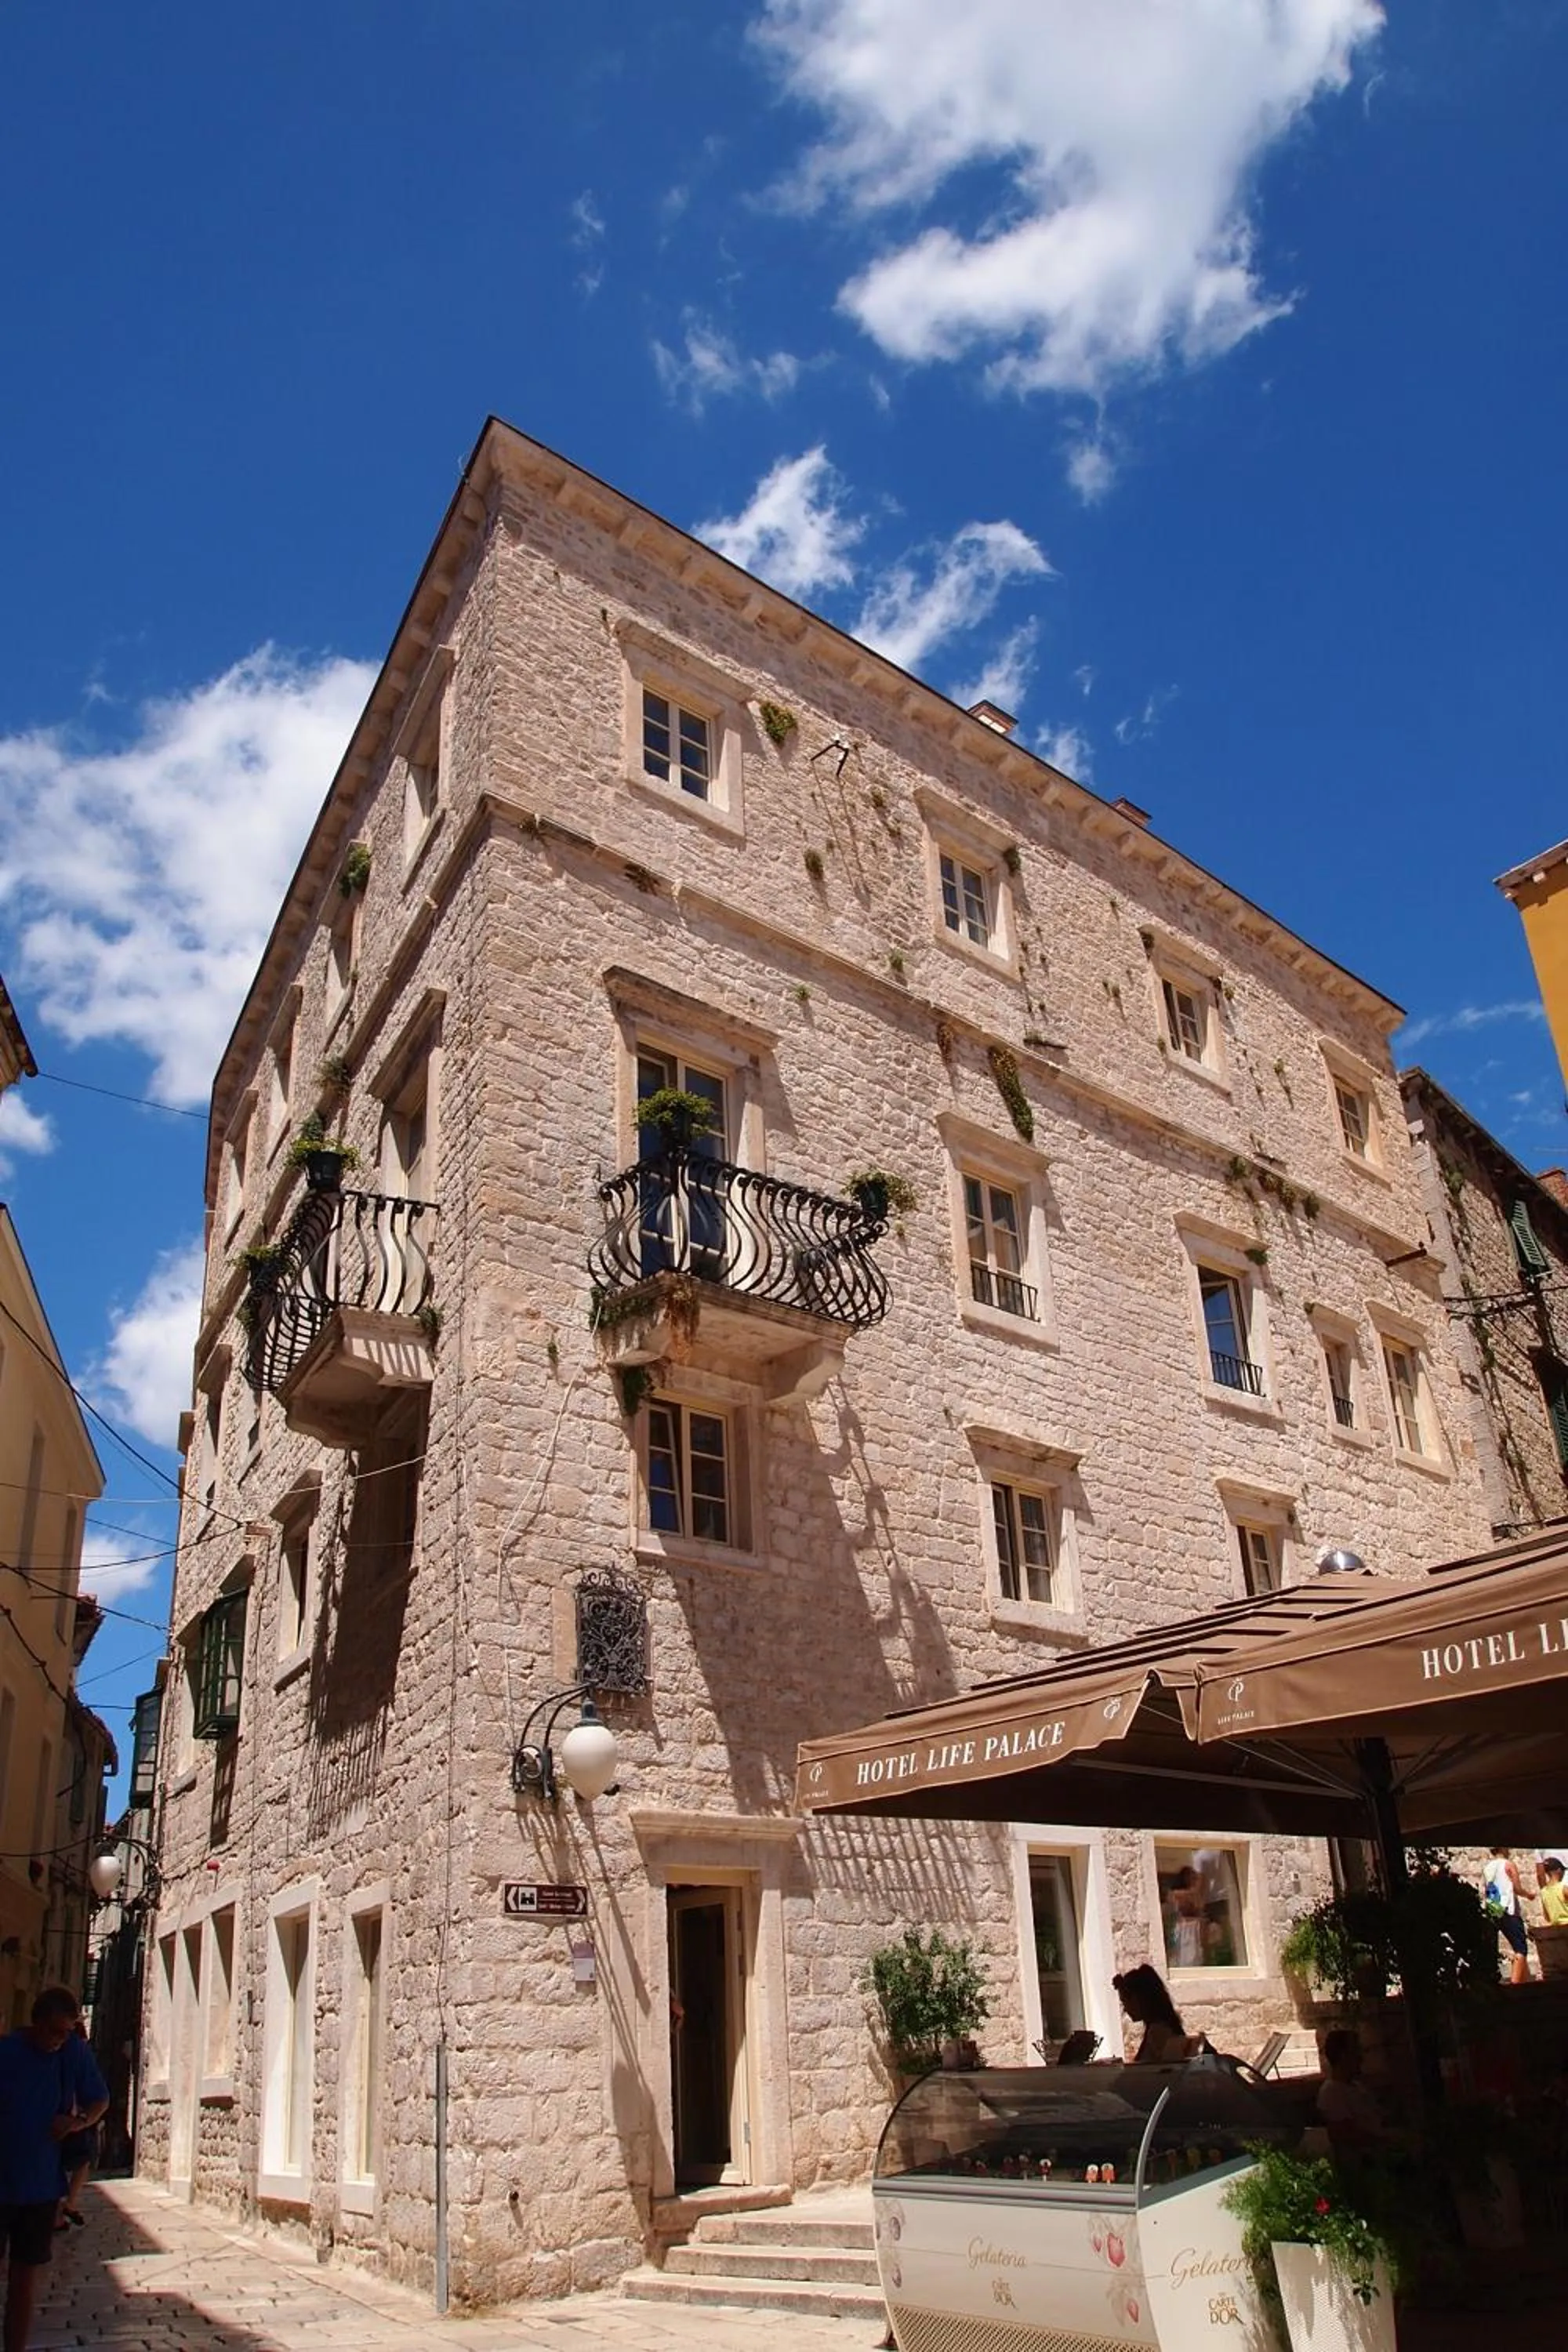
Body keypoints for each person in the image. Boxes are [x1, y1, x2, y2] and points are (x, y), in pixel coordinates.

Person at [0, 1987, 107, 2352]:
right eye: (55, 2031)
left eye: (67, 2031)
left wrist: (77, 2122)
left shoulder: (72, 2053)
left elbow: (99, 2099)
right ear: (37, 2023)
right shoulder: (8, 2052)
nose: (60, 2039)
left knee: (24, 2279)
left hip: (41, 2187)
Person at [1316, 2027, 1388, 2153]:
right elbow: (1346, 2137)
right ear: (1344, 2056)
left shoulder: (1356, 2086)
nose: (1361, 2057)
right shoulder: (1332, 2093)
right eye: (1356, 2051)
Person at [53, 2026, 96, 2232]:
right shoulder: (78, 2053)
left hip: (70, 2120)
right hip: (71, 2119)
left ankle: (62, 2209)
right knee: (81, 2161)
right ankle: (67, 2205)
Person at [1113, 1965, 1196, 2063]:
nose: (1125, 2010)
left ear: (1138, 2000)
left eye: (1125, 2002)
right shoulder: (1160, 2027)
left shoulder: (1158, 2032)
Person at [1483, 1846, 1530, 1985]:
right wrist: (1529, 1894)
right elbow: (1517, 1888)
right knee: (1520, 1948)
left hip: (1493, 1908)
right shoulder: (1508, 1864)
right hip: (1508, 1908)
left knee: (1492, 1947)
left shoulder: (1487, 1867)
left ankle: (1523, 1981)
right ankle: (1515, 1984)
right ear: (1503, 1849)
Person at [1539, 1856, 1568, 1928]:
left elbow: (1547, 1917)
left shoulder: (1543, 1892)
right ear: (1559, 1870)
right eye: (1563, 1870)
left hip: (1556, 1930)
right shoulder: (1563, 1888)